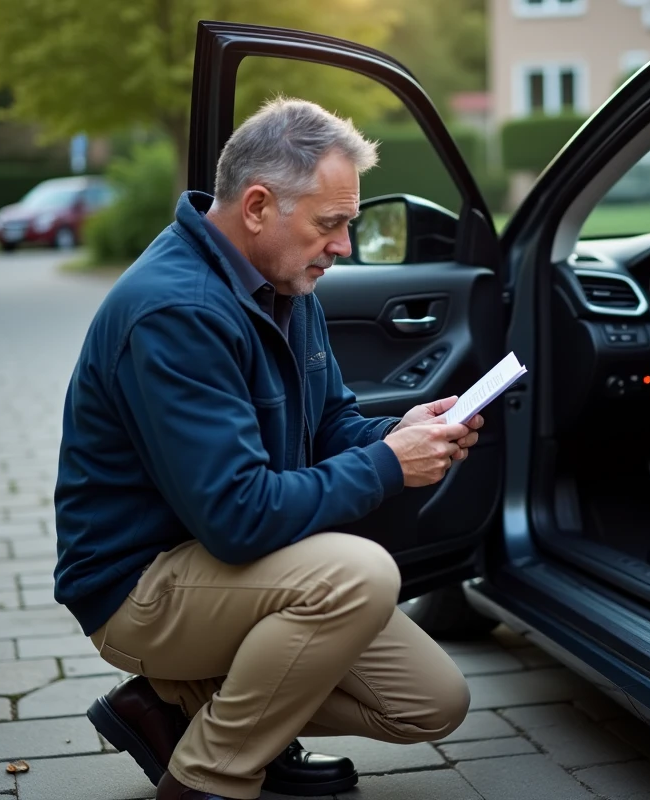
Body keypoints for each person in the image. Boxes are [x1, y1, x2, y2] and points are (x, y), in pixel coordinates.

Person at [52, 96, 485, 800]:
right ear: (257, 207)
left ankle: (174, 708)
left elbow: (333, 423)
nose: (343, 246)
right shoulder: (179, 312)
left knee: (431, 702)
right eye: (331, 224)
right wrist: (386, 466)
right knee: (358, 575)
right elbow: (238, 516)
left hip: (228, 565)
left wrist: (403, 435)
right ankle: (208, 776)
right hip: (139, 584)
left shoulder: (284, 282)